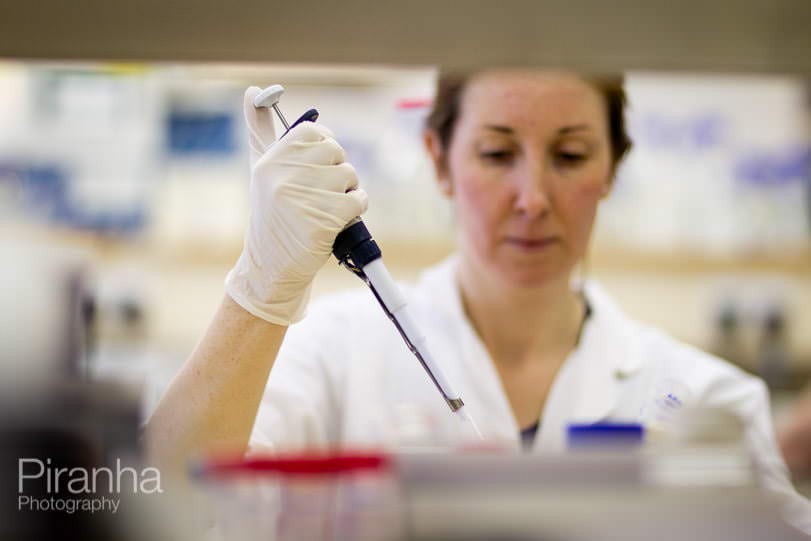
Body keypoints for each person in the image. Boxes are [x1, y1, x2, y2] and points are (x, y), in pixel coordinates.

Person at [145, 70, 810, 531]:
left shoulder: (708, 398)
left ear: (612, 168)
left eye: (571, 155)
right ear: (437, 160)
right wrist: (261, 287)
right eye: (496, 152)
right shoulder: (333, 357)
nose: (532, 197)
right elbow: (160, 507)